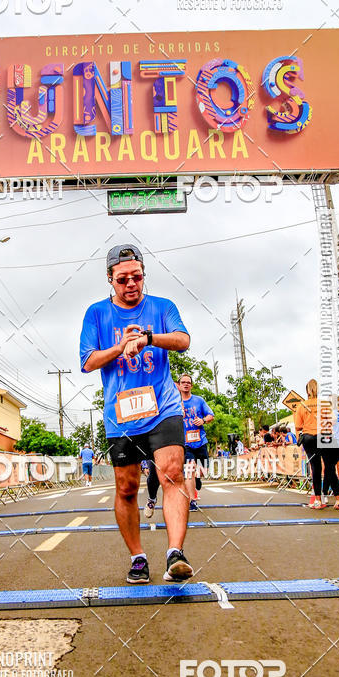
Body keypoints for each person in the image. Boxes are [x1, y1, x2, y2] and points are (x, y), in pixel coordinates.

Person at [80, 243, 192, 584]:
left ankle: (175, 553)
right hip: (122, 413)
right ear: (110, 279)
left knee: (172, 473)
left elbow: (183, 340)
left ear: (144, 276)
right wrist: (119, 347)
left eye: (137, 277)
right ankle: (138, 557)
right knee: (127, 487)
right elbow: (87, 362)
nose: (131, 284)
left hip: (163, 407)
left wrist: (148, 338)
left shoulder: (162, 306)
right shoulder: (96, 314)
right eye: (122, 279)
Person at [294, 379, 334, 509]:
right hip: (324, 435)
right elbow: (332, 421)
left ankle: (317, 500)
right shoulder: (324, 404)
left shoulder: (302, 406)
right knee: (329, 466)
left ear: (307, 391)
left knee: (315, 468)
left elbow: (298, 426)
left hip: (309, 437)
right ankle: (337, 498)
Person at [177, 373, 214, 511]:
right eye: (183, 382)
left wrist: (203, 420)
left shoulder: (199, 400)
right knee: (189, 469)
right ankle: (192, 501)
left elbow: (211, 415)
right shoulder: (174, 402)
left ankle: (198, 478)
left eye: (188, 382)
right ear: (179, 385)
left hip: (200, 441)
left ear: (191, 385)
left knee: (203, 471)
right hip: (185, 443)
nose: (186, 384)